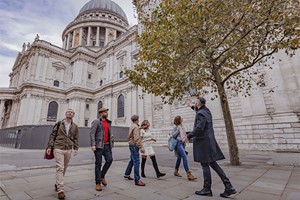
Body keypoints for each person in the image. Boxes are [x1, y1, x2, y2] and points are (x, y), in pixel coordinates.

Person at [188, 97, 237, 197]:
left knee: (205, 165)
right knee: (214, 164)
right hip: (209, 142)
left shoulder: (201, 113)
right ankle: (229, 187)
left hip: (203, 143)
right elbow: (199, 113)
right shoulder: (206, 111)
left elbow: (199, 128)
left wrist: (188, 136)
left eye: (195, 101)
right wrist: (192, 107)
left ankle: (207, 189)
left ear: (198, 103)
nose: (195, 102)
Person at [46, 109, 79, 200]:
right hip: (58, 147)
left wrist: (76, 148)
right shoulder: (59, 124)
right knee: (60, 167)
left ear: (73, 115)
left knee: (64, 168)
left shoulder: (75, 126)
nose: (70, 113)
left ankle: (57, 183)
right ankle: (60, 190)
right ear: (65, 114)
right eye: (68, 111)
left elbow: (76, 138)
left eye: (72, 112)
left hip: (68, 149)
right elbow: (52, 135)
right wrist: (49, 147)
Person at [90, 107, 114, 191]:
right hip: (99, 146)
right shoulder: (96, 122)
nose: (107, 113)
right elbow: (92, 133)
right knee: (98, 164)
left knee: (109, 160)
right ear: (101, 113)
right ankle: (98, 183)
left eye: (107, 112)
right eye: (105, 112)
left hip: (107, 145)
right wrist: (93, 145)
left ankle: (102, 175)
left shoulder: (108, 122)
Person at [171, 116, 197, 181]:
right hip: (178, 144)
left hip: (183, 143)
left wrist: (186, 139)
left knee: (179, 158)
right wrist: (178, 130)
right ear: (178, 120)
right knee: (185, 157)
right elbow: (173, 136)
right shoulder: (175, 127)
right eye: (181, 118)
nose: (182, 119)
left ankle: (176, 171)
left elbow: (184, 134)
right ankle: (189, 174)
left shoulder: (182, 126)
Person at [124, 115, 145, 186]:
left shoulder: (132, 125)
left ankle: (127, 174)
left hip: (131, 144)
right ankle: (137, 180)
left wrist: (140, 127)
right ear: (137, 119)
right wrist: (141, 147)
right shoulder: (136, 127)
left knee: (132, 160)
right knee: (137, 162)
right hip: (134, 145)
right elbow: (136, 138)